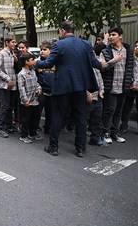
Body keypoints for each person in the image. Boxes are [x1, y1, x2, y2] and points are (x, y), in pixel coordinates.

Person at [35, 21, 105, 157]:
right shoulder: (85, 44)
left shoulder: (59, 44)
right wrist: (108, 62)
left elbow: (49, 63)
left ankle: (53, 147)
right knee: (81, 117)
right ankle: (81, 149)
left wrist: (36, 63)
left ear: (62, 31)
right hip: (80, 87)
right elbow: (96, 63)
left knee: (58, 116)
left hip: (62, 87)